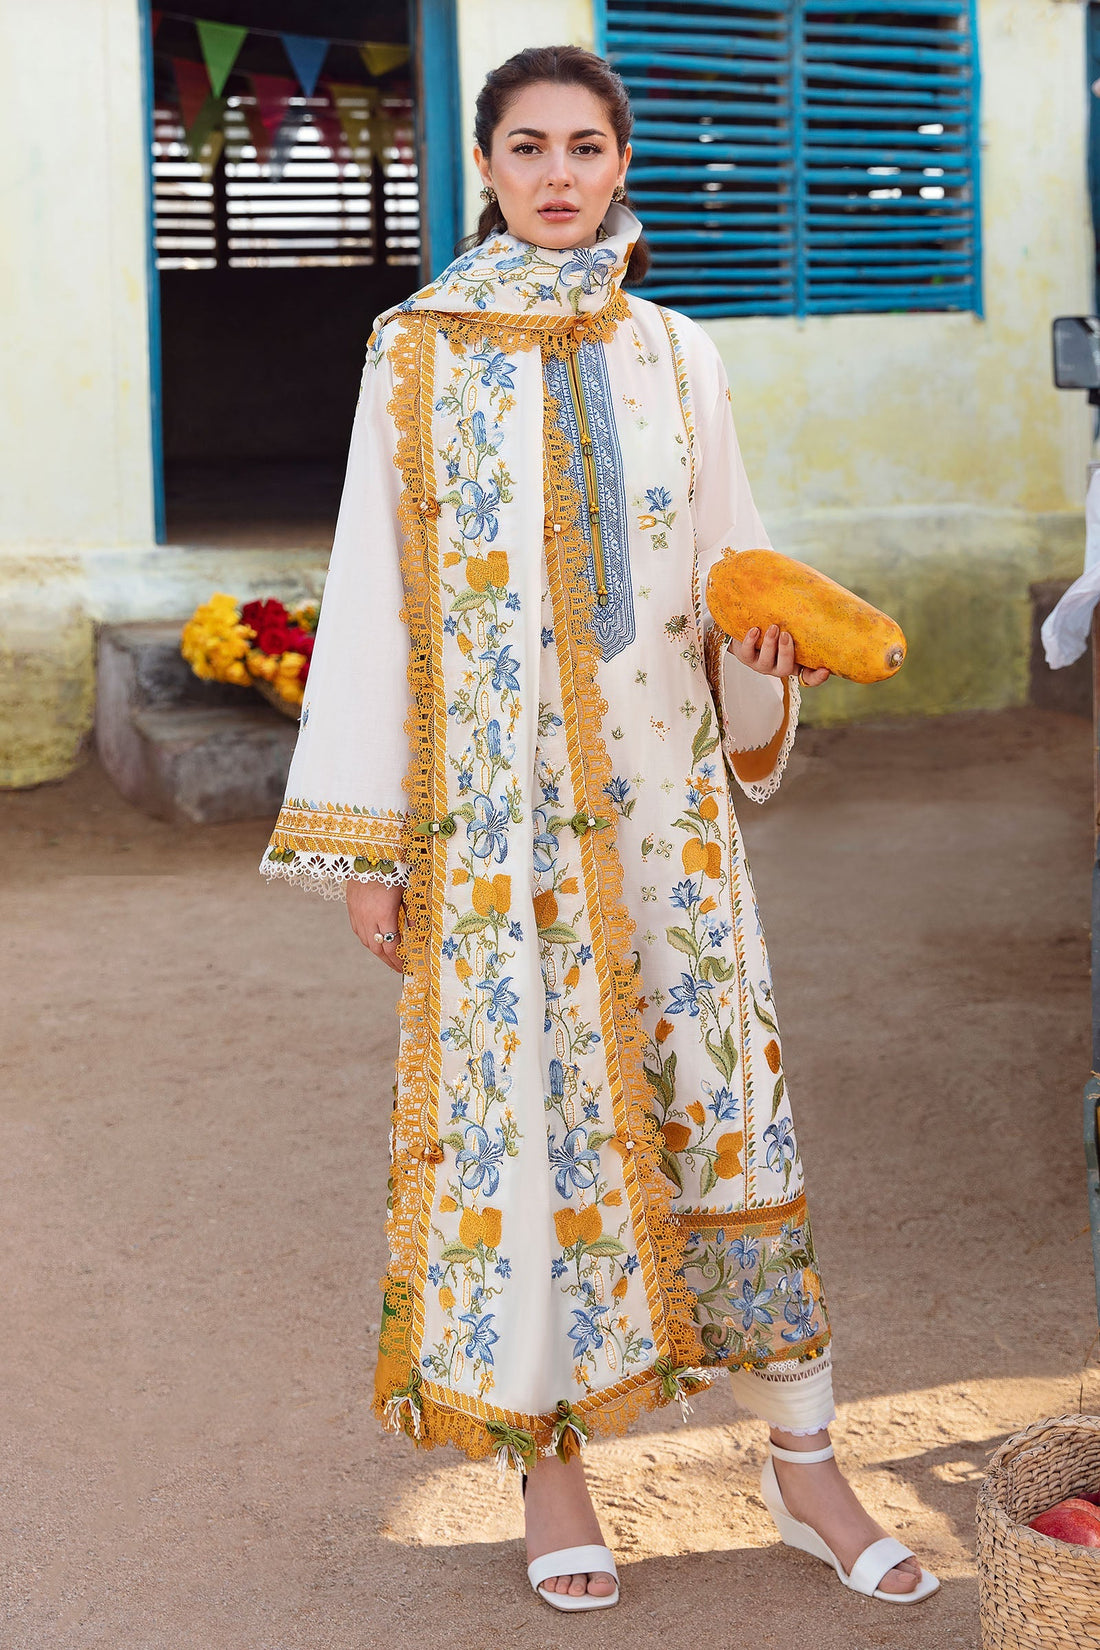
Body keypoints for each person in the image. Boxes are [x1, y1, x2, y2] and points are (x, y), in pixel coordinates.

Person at [261, 44, 938, 1614]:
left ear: (623, 163)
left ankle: (806, 1466)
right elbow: (372, 588)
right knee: (531, 1125)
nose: (557, 174)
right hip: (495, 828)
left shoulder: (678, 354)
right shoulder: (414, 354)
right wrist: (374, 842)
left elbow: (730, 562)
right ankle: (551, 1468)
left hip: (666, 812)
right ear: (485, 166)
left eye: (584, 146)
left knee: (729, 1104)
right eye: (527, 146)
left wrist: (764, 657)